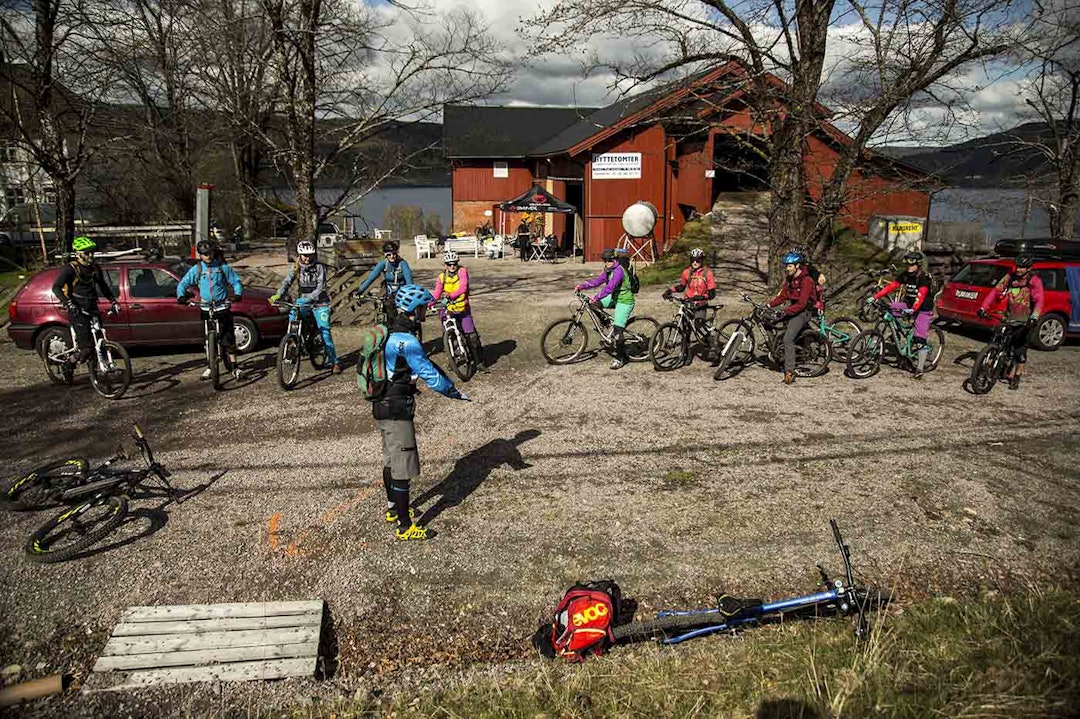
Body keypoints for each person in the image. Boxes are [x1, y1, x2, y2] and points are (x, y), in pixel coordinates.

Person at [374, 284, 470, 541]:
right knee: (403, 467)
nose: (426, 311)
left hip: (380, 404)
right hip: (397, 409)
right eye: (423, 307)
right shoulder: (407, 341)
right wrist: (454, 393)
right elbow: (429, 375)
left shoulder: (388, 332)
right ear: (414, 310)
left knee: (391, 460)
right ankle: (405, 527)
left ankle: (394, 510)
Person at [176, 239, 245, 380]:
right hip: (206, 307)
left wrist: (237, 294)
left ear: (213, 253)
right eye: (204, 254)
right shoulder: (197, 269)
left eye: (209, 253)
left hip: (222, 306)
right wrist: (181, 296)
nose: (207, 256)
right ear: (200, 255)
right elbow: (183, 283)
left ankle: (235, 367)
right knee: (208, 340)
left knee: (228, 338)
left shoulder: (222, 267)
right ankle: (210, 366)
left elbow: (236, 281)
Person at [270, 240, 341, 374]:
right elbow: (287, 282)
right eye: (304, 255)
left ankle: (334, 362)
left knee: (325, 332)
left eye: (309, 255)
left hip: (320, 303)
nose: (307, 258)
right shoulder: (296, 268)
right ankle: (292, 341)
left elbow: (321, 287)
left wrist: (308, 299)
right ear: (299, 255)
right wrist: (278, 295)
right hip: (303, 302)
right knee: (293, 313)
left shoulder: (319, 267)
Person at [978, 253, 1044, 390]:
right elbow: (994, 292)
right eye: (1018, 266)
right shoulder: (1009, 277)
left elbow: (1039, 300)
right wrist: (984, 307)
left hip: (1025, 320)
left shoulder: (1034, 281)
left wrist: (1034, 317)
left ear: (1029, 268)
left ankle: (1016, 376)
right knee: (996, 341)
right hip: (1008, 317)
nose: (1018, 269)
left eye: (1022, 267)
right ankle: (987, 367)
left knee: (1020, 351)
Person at [51, 236, 121, 365]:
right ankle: (68, 364)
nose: (91, 255)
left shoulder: (95, 268)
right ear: (78, 254)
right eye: (87, 253)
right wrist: (68, 302)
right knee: (86, 348)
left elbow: (103, 286)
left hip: (92, 306)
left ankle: (96, 373)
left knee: (99, 340)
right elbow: (56, 287)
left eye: (92, 252)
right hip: (77, 309)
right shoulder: (70, 269)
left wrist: (113, 301)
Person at [869, 250, 935, 379]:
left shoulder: (922, 277)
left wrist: (913, 309)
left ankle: (920, 369)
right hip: (908, 305)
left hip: (923, 309)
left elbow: (920, 296)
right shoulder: (905, 274)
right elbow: (892, 286)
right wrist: (875, 297)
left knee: (919, 339)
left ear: (918, 264)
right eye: (907, 264)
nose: (909, 267)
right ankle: (894, 336)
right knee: (888, 308)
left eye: (912, 264)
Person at [575, 247, 635, 369]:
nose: (605, 263)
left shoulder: (619, 271)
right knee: (593, 305)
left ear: (614, 260)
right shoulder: (609, 270)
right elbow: (598, 281)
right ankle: (606, 322)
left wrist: (597, 296)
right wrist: (583, 286)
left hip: (624, 301)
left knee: (618, 331)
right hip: (614, 297)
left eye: (608, 260)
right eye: (604, 261)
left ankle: (620, 358)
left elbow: (610, 288)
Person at [429, 250, 488, 371]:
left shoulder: (462, 272)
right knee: (448, 335)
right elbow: (436, 293)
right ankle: (452, 358)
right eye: (449, 264)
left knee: (471, 336)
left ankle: (478, 362)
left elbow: (463, 287)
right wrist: (429, 303)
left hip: (462, 308)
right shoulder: (442, 277)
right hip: (448, 309)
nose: (452, 266)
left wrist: (450, 295)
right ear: (445, 265)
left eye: (454, 264)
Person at [767, 250, 818, 385]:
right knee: (767, 319)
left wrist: (785, 312)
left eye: (789, 266)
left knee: (788, 339)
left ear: (797, 266)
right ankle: (776, 351)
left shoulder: (807, 281)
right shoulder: (790, 279)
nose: (787, 268)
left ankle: (790, 372)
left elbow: (801, 304)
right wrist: (769, 305)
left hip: (803, 312)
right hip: (793, 309)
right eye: (786, 266)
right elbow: (783, 296)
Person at [663, 247, 719, 361]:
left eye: (697, 260)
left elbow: (712, 294)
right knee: (686, 330)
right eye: (693, 260)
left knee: (699, 325)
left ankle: (713, 345)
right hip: (688, 303)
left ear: (702, 261)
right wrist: (670, 290)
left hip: (700, 304)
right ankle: (687, 354)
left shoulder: (707, 273)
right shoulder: (686, 272)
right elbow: (682, 286)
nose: (695, 262)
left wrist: (702, 297)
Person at [357, 241, 413, 321]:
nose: (392, 256)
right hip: (389, 296)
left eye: (394, 254)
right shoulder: (383, 264)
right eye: (389, 254)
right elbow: (371, 278)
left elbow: (409, 282)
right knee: (388, 316)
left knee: (402, 320)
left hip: (402, 296)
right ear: (385, 255)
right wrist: (360, 290)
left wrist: (409, 296)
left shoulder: (402, 264)